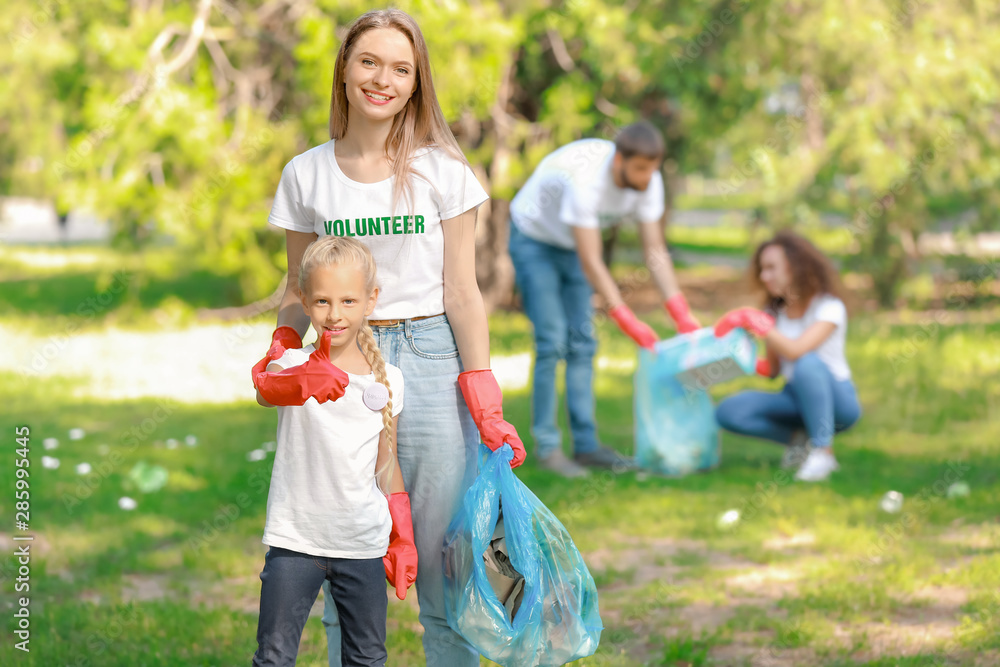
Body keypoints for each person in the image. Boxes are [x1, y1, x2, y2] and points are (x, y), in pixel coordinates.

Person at [259, 9, 525, 666]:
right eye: (369, 62)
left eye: (401, 68)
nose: (383, 79)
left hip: (432, 359)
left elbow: (463, 292)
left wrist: (482, 389)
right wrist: (278, 353)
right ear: (345, 71)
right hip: (339, 366)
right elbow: (299, 288)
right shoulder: (306, 174)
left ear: (416, 83)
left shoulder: (443, 172)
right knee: (336, 550)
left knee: (445, 559)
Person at [251, 236, 417, 666]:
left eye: (348, 300)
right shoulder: (291, 365)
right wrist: (302, 377)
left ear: (370, 301)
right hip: (295, 539)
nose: (335, 314)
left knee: (366, 657)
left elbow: (387, 465)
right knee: (273, 655)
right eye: (322, 301)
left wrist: (403, 538)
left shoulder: (389, 381)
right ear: (304, 302)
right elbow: (264, 392)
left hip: (361, 541)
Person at [508, 122, 701, 478]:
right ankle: (548, 448)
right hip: (534, 239)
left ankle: (586, 447)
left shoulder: (648, 181)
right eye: (640, 169)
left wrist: (679, 310)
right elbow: (592, 261)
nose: (647, 178)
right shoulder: (586, 182)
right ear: (618, 162)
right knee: (552, 341)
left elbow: (655, 251)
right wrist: (625, 317)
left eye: (653, 169)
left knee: (583, 342)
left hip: (572, 246)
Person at [713, 230, 862, 482]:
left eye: (771, 268)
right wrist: (739, 357)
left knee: (807, 363)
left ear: (795, 267)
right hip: (794, 397)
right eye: (762, 269)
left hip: (839, 402)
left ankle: (823, 453)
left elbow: (796, 351)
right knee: (728, 411)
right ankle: (799, 444)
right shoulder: (776, 313)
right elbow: (773, 371)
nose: (764, 276)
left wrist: (762, 325)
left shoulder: (829, 307)